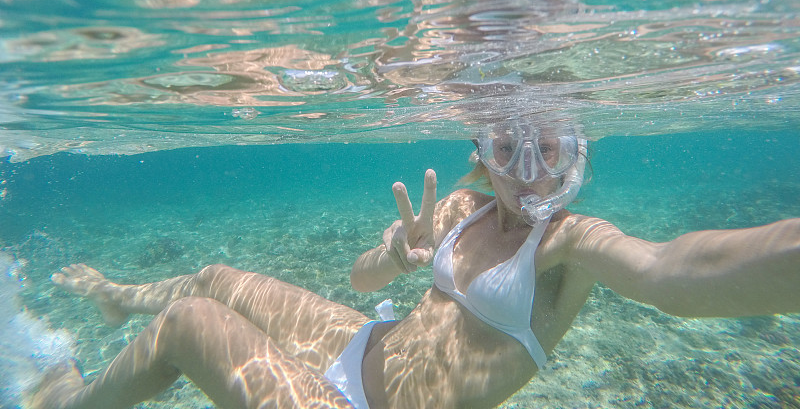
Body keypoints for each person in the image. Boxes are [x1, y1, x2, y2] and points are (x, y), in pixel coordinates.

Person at [30, 120, 800, 409]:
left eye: (551, 150)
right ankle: (116, 298)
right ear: (482, 154)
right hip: (360, 346)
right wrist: (397, 253)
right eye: (506, 149)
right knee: (214, 278)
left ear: (578, 155)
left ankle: (74, 403)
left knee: (191, 324)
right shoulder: (465, 210)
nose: (528, 171)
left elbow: (679, 270)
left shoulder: (571, 243)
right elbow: (364, 280)